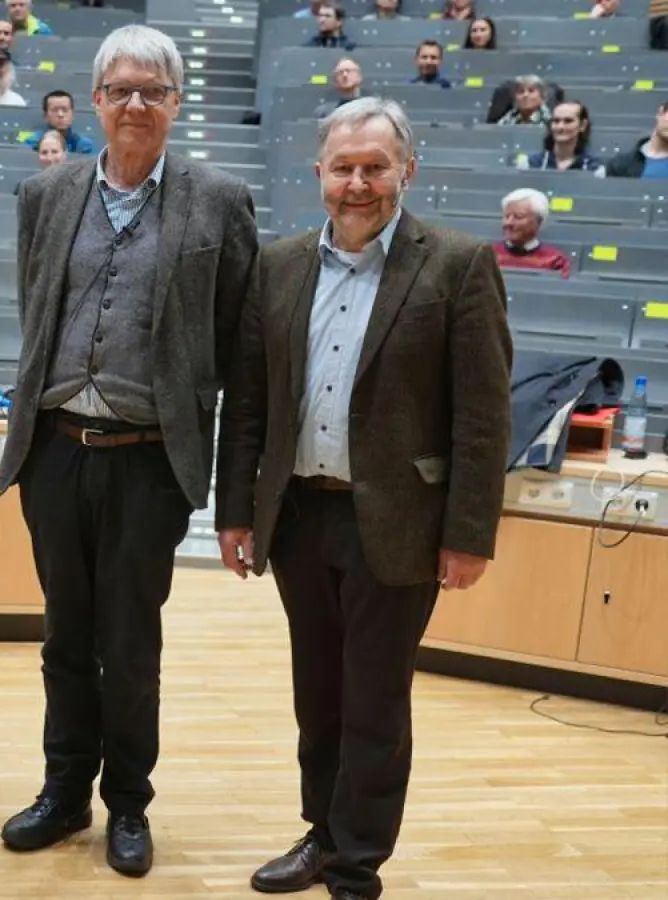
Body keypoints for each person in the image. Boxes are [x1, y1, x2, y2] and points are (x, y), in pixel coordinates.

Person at [214, 97, 512, 900]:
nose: (358, 183)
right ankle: (322, 832)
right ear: (318, 174)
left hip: (400, 523)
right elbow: (247, 404)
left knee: (375, 701)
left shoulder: (456, 264)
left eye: (375, 167)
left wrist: (470, 531)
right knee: (319, 697)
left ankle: (357, 866)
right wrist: (235, 511)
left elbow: (484, 416)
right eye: (343, 168)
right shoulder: (276, 266)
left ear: (406, 170)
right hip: (301, 516)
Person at [0, 24, 257, 878]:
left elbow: (240, 352)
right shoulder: (48, 195)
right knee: (64, 637)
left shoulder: (219, 200)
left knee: (130, 642)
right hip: (57, 450)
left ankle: (129, 805)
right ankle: (63, 791)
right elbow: (40, 315)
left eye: (153, 90)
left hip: (150, 458)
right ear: (96, 101)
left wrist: (234, 491)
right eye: (121, 90)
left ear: (175, 103)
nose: (136, 103)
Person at [494, 188, 570, 277]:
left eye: (518, 217)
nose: (508, 223)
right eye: (506, 217)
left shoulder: (555, 261)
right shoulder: (489, 256)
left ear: (538, 222)